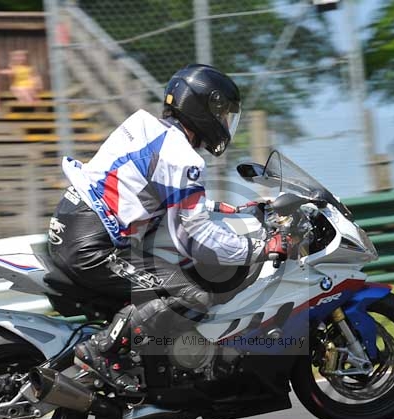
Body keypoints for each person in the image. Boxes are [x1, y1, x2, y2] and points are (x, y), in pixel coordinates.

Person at [46, 64, 289, 393]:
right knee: (192, 294)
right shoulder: (182, 155)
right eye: (222, 113)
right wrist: (259, 248)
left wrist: (218, 208)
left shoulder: (150, 129)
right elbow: (194, 237)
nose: (224, 123)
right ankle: (99, 352)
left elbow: (146, 191)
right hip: (93, 246)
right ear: (203, 108)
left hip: (75, 225)